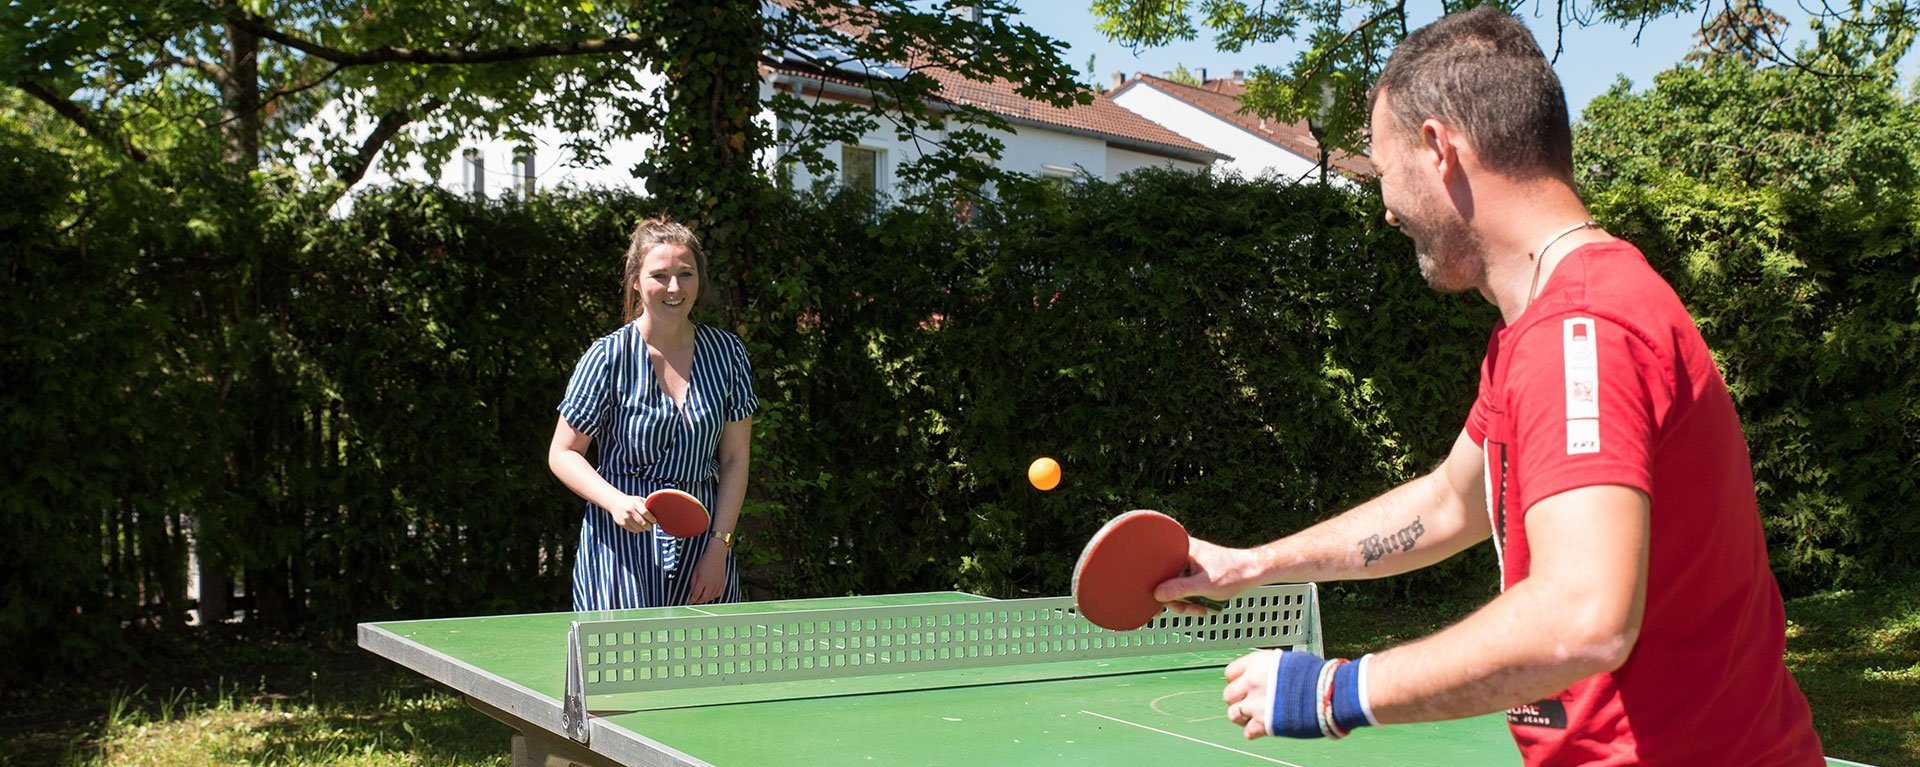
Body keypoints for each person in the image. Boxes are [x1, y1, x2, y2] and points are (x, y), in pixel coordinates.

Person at [1154, 8, 1825, 764]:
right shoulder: (1546, 326)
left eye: (1384, 169)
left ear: (1439, 149)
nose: (1385, 208)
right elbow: (1451, 501)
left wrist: (1333, 691)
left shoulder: (1583, 329)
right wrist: (1253, 565)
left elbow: (1581, 618)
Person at [548, 217, 757, 610]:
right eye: (660, 275)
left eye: (685, 274)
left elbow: (734, 458)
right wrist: (614, 501)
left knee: (708, 669)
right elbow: (563, 452)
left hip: (703, 548)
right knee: (619, 670)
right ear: (636, 281)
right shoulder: (608, 357)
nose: (674, 287)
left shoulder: (728, 355)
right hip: (619, 551)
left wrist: (719, 548)